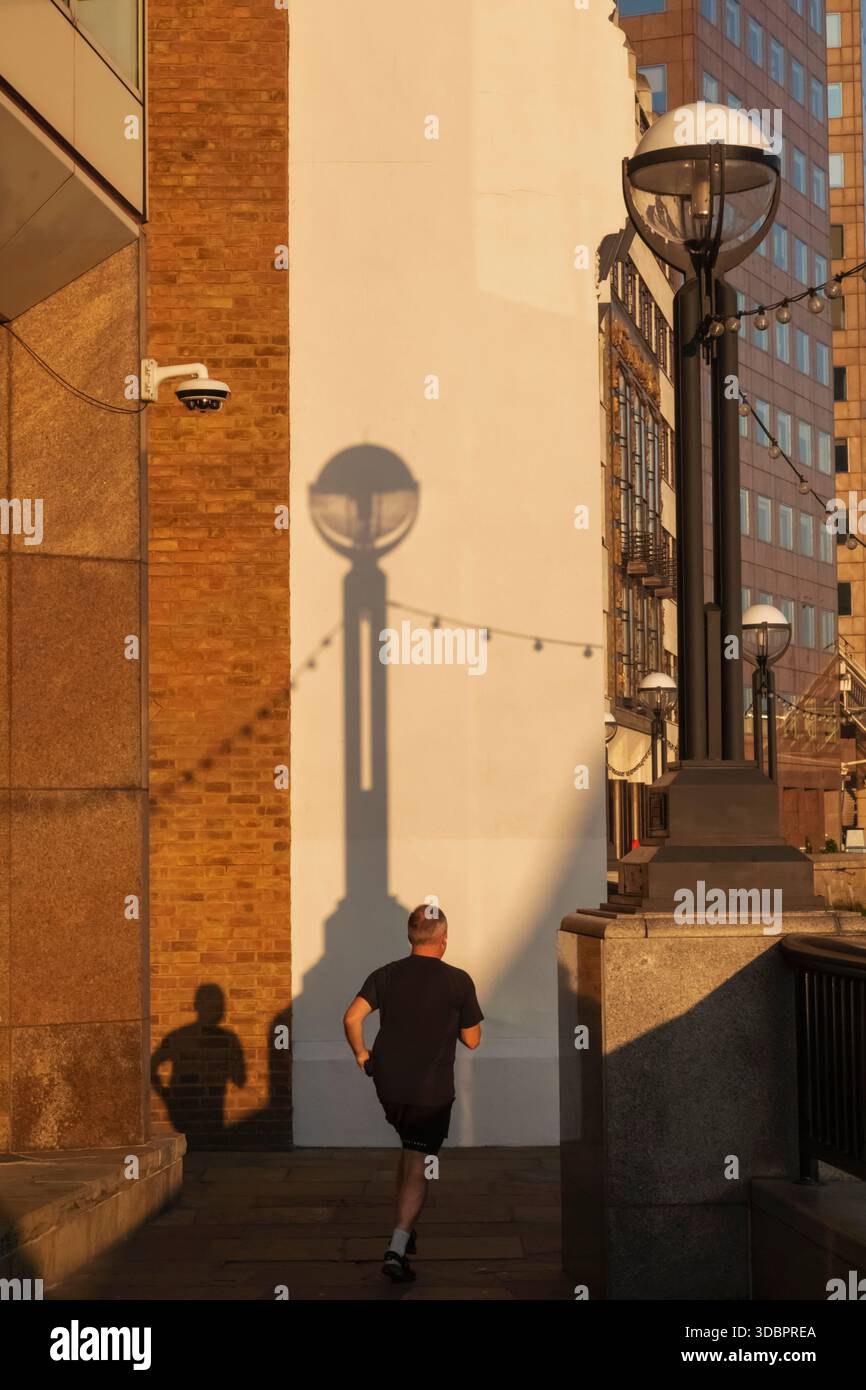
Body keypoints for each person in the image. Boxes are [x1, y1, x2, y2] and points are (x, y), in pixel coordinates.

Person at [342, 904, 483, 1283]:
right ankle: (396, 1248)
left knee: (409, 1147)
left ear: (411, 936)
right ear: (443, 940)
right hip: (430, 1090)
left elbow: (352, 1017)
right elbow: (472, 1040)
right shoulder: (458, 980)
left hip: (388, 1084)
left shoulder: (385, 974)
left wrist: (361, 1054)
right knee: (421, 1163)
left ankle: (405, 1227)